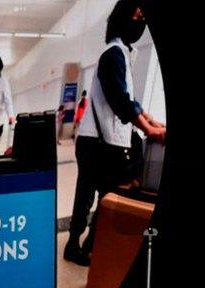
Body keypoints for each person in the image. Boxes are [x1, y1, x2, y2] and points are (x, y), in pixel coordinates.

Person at [63, 0, 166, 267]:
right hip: (96, 142)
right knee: (93, 196)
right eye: (137, 15)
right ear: (123, 19)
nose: (141, 21)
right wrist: (149, 128)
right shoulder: (113, 54)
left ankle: (86, 246)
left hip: (104, 142)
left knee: (102, 196)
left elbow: (131, 101)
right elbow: (119, 99)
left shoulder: (122, 54)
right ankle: (76, 246)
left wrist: (151, 120)